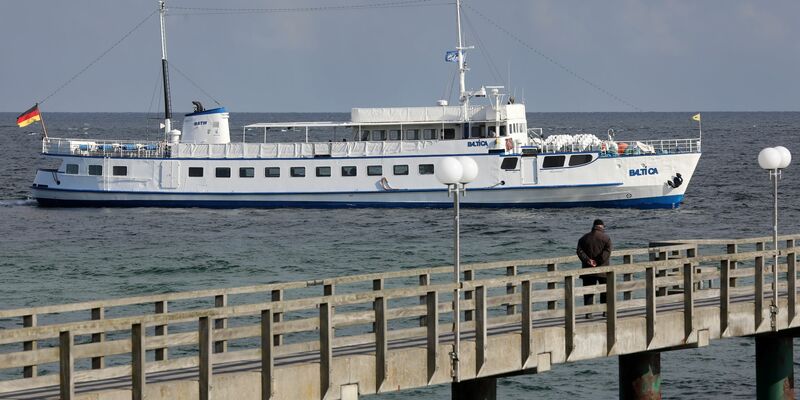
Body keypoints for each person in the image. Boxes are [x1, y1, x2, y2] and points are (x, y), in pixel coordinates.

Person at [577, 219, 612, 307]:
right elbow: (607, 252)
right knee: (604, 291)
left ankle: (588, 313)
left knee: (588, 292)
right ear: (601, 227)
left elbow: (579, 251)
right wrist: (598, 261)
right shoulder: (606, 238)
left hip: (588, 270)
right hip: (602, 270)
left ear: (593, 226)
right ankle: (605, 311)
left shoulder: (583, 238)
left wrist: (588, 260)